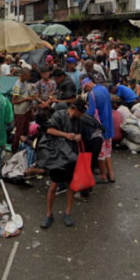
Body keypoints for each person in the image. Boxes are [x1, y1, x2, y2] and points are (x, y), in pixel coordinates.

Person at [39, 98, 87, 229]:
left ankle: (68, 213)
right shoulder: (59, 115)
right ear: (76, 110)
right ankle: (49, 214)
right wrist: (66, 135)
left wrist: (78, 137)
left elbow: (79, 135)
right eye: (81, 113)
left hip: (71, 155)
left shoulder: (78, 120)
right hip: (57, 155)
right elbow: (49, 130)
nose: (82, 116)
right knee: (53, 185)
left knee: (70, 185)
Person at [86, 77, 116, 183]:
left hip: (100, 127)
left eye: (86, 87)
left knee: (100, 152)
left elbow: (92, 112)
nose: (86, 90)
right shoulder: (104, 89)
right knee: (108, 151)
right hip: (108, 125)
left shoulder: (92, 94)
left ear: (88, 84)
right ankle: (111, 175)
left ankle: (103, 175)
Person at [11, 69, 37, 152]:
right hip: (19, 112)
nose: (29, 78)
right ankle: (15, 150)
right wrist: (26, 99)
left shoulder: (24, 83)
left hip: (25, 110)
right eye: (28, 76)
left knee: (26, 130)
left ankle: (24, 148)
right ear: (22, 75)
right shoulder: (17, 86)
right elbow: (13, 101)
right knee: (18, 132)